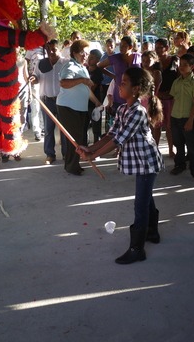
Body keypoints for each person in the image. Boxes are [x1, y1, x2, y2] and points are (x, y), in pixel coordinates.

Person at [77, 67, 164, 264]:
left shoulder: (138, 112)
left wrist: (94, 155)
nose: (119, 85)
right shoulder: (123, 109)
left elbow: (119, 141)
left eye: (124, 82)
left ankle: (137, 249)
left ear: (136, 89)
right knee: (146, 197)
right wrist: (90, 149)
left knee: (140, 204)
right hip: (141, 163)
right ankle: (152, 232)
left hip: (147, 163)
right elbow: (111, 135)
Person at [57, 40, 102, 176]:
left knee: (80, 138)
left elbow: (86, 89)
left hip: (80, 107)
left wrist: (97, 102)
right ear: (75, 52)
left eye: (87, 53)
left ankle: (74, 163)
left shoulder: (82, 67)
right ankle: (71, 166)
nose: (85, 55)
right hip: (68, 107)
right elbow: (64, 83)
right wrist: (82, 80)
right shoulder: (70, 65)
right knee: (74, 138)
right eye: (82, 52)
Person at [169, 53, 194, 182]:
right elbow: (174, 100)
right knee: (178, 144)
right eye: (180, 64)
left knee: (192, 147)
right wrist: (171, 117)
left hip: (187, 118)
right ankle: (179, 165)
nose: (182, 67)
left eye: (185, 65)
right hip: (175, 117)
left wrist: (191, 120)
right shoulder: (176, 81)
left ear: (192, 66)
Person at [30, 39, 69, 164]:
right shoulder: (41, 63)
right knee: (48, 129)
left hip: (62, 100)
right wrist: (33, 78)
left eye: (54, 49)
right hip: (47, 101)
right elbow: (36, 77)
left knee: (64, 129)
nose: (52, 51)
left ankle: (66, 154)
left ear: (59, 49)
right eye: (49, 49)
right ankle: (50, 154)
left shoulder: (65, 63)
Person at [98, 36, 141, 117]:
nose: (121, 48)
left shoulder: (138, 57)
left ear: (130, 47)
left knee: (133, 121)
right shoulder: (115, 58)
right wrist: (113, 76)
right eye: (120, 45)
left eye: (124, 46)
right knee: (119, 122)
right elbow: (99, 66)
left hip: (134, 95)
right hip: (119, 95)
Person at [154, 37, 179, 158]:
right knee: (156, 125)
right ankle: (155, 149)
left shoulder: (175, 60)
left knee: (169, 126)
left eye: (160, 47)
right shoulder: (154, 62)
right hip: (157, 98)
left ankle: (170, 149)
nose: (157, 50)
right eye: (156, 47)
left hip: (171, 98)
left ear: (167, 48)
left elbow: (179, 77)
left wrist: (173, 93)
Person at [25, 45, 47, 141]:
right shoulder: (30, 49)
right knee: (36, 106)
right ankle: (37, 130)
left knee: (44, 106)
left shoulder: (46, 48)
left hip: (45, 80)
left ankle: (43, 128)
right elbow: (26, 63)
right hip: (35, 80)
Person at [141, 50, 162, 144]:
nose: (145, 63)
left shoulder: (156, 73)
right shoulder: (141, 72)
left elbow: (154, 89)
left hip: (152, 100)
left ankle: (155, 145)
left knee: (155, 125)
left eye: (148, 60)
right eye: (143, 60)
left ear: (155, 60)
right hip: (142, 100)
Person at [86, 49, 104, 144]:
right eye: (89, 57)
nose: (89, 60)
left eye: (92, 58)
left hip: (94, 104)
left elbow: (91, 88)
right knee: (84, 126)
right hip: (84, 104)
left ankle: (97, 147)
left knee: (96, 128)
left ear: (97, 60)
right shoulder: (84, 70)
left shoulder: (98, 72)